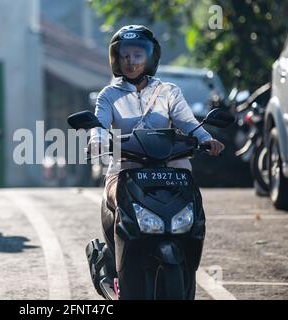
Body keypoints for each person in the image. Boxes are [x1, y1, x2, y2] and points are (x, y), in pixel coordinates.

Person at [88, 25, 225, 261]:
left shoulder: (169, 92)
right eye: (125, 55)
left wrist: (206, 139)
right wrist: (97, 141)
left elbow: (188, 122)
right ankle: (116, 262)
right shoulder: (108, 95)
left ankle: (187, 253)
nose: (131, 61)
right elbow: (99, 125)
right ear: (116, 59)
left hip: (170, 170)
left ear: (150, 57)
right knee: (116, 203)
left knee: (193, 203)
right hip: (124, 170)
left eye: (138, 55)